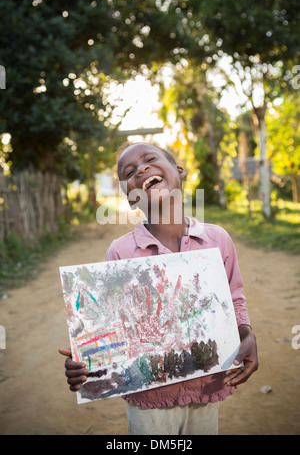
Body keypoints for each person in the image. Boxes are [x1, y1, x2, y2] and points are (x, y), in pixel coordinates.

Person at [59, 142, 258, 435]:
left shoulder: (217, 240)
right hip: (148, 400)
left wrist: (247, 333)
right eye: (129, 172)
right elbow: (107, 333)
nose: (140, 169)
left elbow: (235, 299)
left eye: (150, 160)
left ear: (179, 171)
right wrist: (87, 365)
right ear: (129, 197)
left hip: (206, 387)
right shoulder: (121, 252)